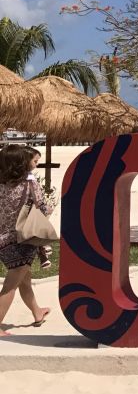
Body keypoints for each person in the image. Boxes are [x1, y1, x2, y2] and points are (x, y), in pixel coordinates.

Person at [0, 144, 52, 336]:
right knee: (11, 285)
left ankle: (37, 313)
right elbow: (43, 210)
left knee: (24, 280)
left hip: (2, 239)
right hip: (22, 240)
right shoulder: (29, 184)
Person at [26, 151, 51, 270]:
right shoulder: (29, 176)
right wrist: (45, 209)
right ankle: (42, 252)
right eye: (35, 161)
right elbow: (37, 196)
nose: (36, 164)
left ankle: (42, 251)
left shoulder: (18, 176)